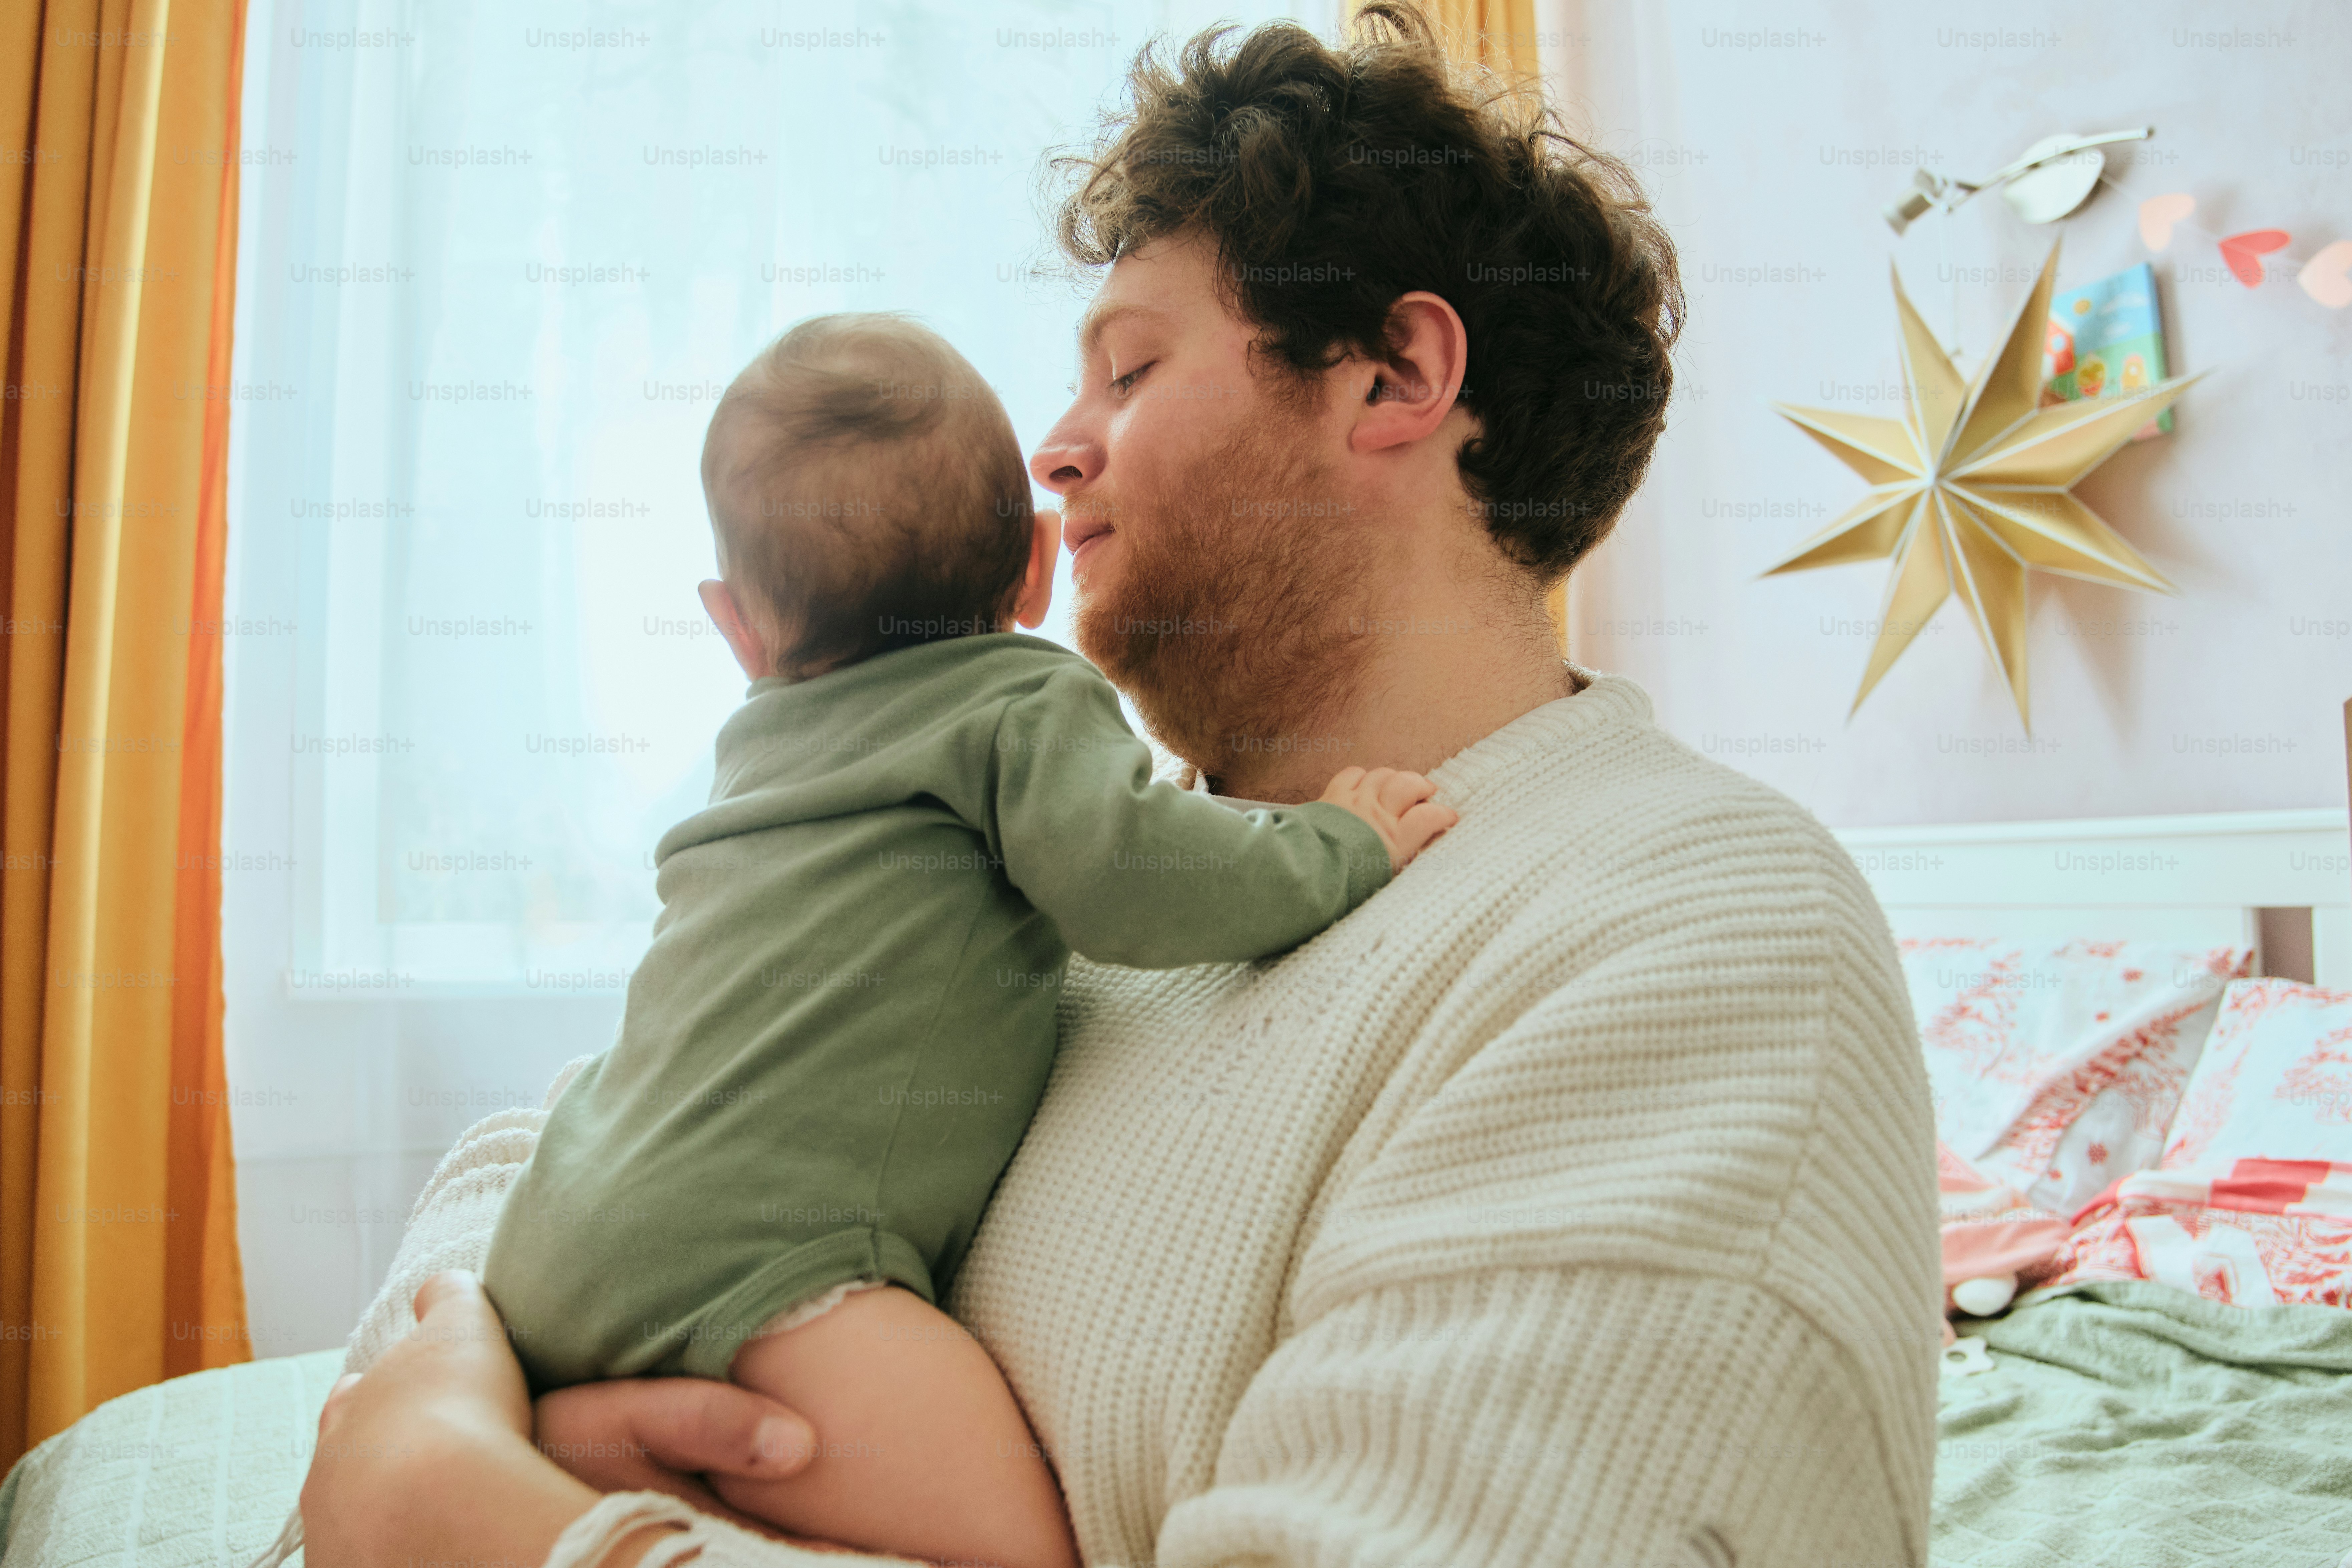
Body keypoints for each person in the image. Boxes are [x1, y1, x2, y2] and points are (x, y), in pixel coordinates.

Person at [300, 9, 1942, 1568]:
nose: (1051, 450)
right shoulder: (1043, 852)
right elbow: (549, 1144)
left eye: (1130, 370)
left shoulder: (1693, 929)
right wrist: (477, 1387)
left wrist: (472, 1505)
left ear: (1393, 376)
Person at [478, 311, 1451, 1568]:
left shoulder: (757, 751)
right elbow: (1134, 877)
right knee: (1022, 1550)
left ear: (739, 629)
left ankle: (577, 1472)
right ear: (1036, 572)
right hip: (779, 1265)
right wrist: (1341, 842)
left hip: (557, 1238)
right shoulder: (1016, 698)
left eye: (1134, 370)